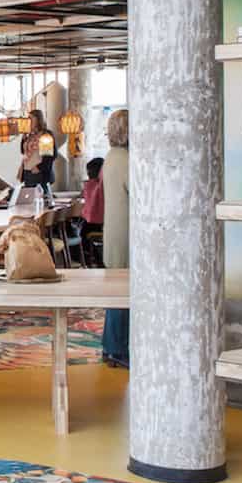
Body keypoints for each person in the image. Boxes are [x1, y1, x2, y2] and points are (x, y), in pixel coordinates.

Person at [100, 109, 131, 367]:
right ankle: (117, 349)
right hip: (126, 233)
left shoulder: (111, 157)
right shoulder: (126, 160)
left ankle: (112, 347)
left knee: (117, 293)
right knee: (124, 294)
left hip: (114, 232)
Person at [80, 157, 105, 266]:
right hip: (104, 222)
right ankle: (96, 258)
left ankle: (89, 259)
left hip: (95, 222)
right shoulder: (103, 185)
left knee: (81, 233)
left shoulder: (91, 185)